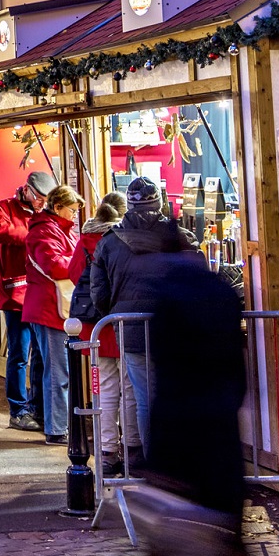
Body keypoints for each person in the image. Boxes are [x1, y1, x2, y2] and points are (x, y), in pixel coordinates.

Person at [124, 251, 249, 556]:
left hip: (178, 424)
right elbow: (236, 367)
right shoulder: (223, 293)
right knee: (226, 525)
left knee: (171, 534)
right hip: (220, 422)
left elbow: (165, 368)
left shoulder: (166, 297)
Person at [90, 176, 199, 454]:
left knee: (144, 397)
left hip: (130, 327)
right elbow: (201, 281)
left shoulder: (109, 242)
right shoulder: (179, 237)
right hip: (175, 327)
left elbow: (99, 293)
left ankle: (156, 463)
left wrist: (117, 315)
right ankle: (180, 462)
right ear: (159, 203)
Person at [68, 192, 133, 475]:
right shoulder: (122, 242)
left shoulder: (84, 241)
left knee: (104, 389)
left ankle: (108, 451)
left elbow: (72, 274)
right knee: (129, 388)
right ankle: (133, 447)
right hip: (122, 322)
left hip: (96, 326)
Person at [0, 171, 51, 431]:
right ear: (27, 190)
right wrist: (34, 233)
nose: (41, 204)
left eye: (45, 201)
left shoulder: (42, 213)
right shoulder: (3, 208)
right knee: (19, 354)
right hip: (14, 294)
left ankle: (37, 406)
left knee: (40, 355)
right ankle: (18, 409)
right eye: (38, 198)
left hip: (40, 295)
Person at [23, 183, 82, 445]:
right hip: (49, 308)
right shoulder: (44, 231)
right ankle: (57, 428)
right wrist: (82, 261)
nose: (75, 215)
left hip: (50, 307)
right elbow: (55, 266)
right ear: (57, 207)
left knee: (49, 368)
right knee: (59, 372)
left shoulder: (57, 229)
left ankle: (51, 421)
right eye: (72, 210)